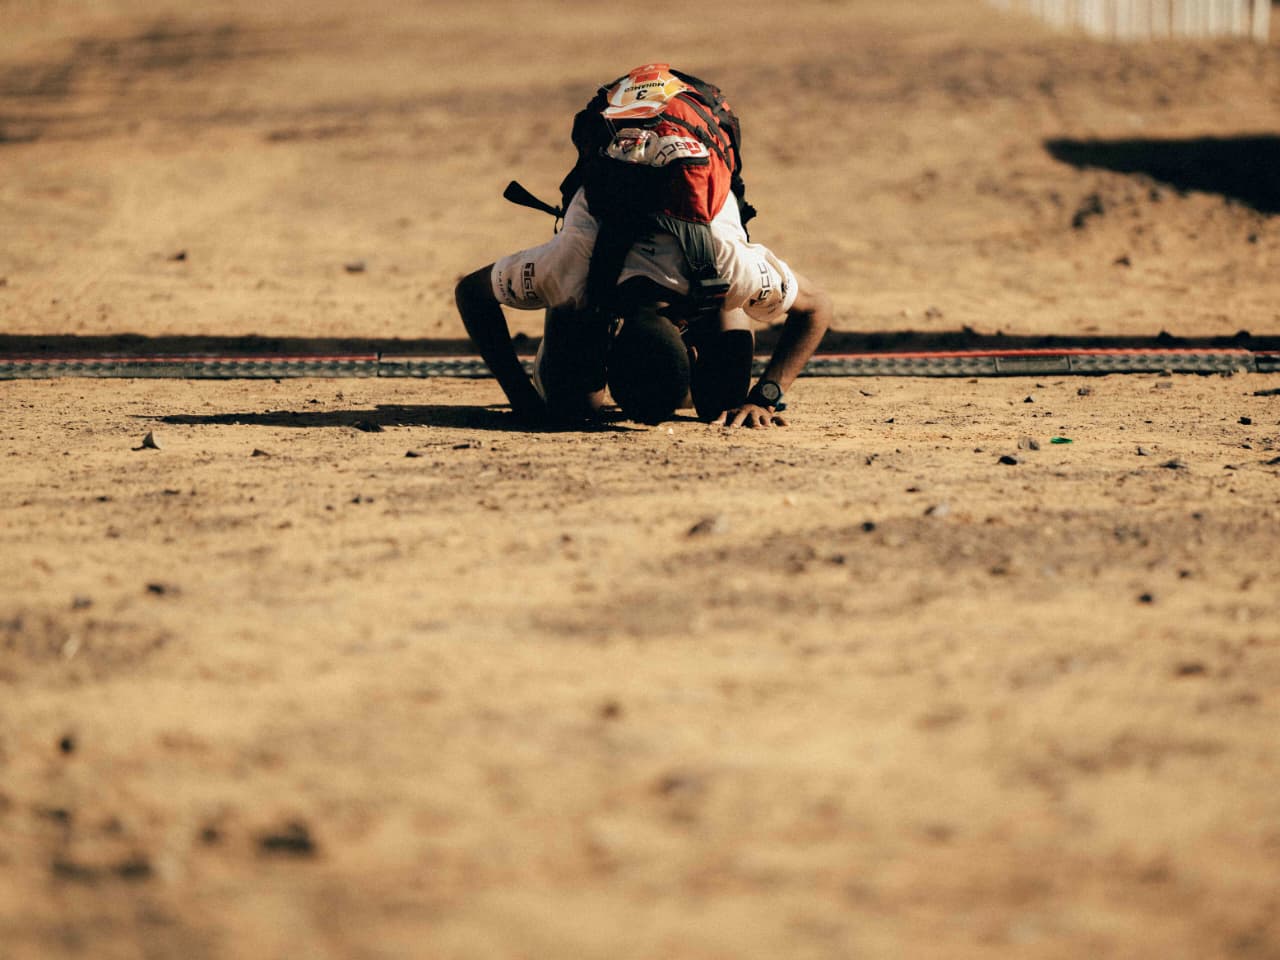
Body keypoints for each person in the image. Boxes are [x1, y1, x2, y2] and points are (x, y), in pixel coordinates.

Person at [454, 64, 831, 428]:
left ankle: (587, 318)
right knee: (573, 403)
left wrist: (764, 396)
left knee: (723, 401)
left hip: (691, 189)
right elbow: (470, 293)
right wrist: (522, 399)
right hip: (618, 220)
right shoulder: (573, 264)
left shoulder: (728, 266)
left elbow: (817, 308)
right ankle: (570, 314)